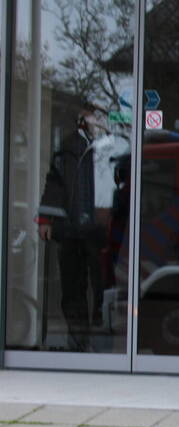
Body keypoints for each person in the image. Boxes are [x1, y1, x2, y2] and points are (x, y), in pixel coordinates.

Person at [36, 107, 110, 352]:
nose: (97, 122)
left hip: (99, 229)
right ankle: (78, 342)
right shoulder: (69, 147)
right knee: (73, 287)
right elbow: (55, 181)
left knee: (102, 286)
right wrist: (46, 218)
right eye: (93, 117)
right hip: (71, 228)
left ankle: (101, 341)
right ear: (81, 121)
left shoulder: (109, 147)